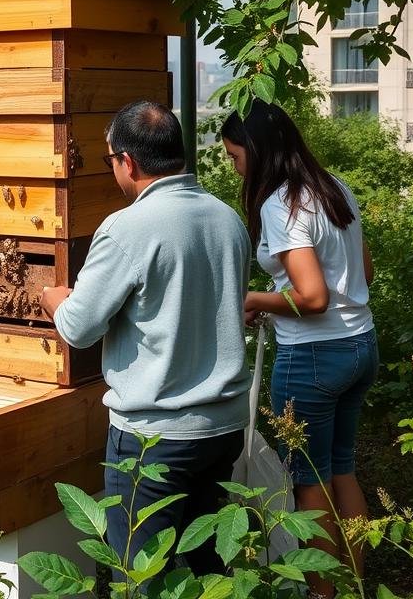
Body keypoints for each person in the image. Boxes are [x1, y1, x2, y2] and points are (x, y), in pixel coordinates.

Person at [40, 100, 251, 577]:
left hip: (154, 439)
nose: (112, 169)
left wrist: (56, 300)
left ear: (128, 162)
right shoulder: (226, 218)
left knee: (139, 576)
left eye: (109, 159)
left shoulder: (125, 228)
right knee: (205, 567)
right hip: (222, 428)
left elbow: (78, 327)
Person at [221, 99, 376, 598]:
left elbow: (311, 296)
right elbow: (361, 275)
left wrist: (250, 298)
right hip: (360, 344)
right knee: (342, 468)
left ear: (259, 152)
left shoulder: (280, 204)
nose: (235, 167)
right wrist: (277, 303)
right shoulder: (334, 189)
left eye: (236, 157)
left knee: (309, 482)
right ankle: (353, 584)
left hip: (313, 359)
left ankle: (321, 593)